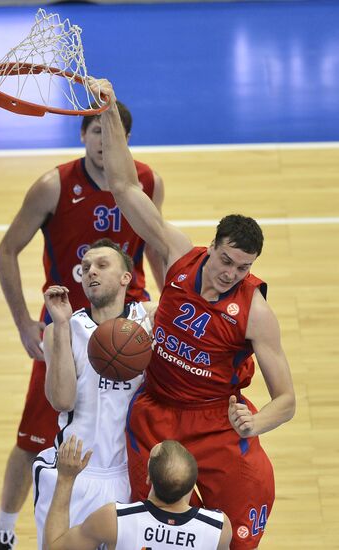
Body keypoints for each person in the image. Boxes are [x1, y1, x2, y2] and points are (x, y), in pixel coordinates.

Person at [88, 78, 296, 550]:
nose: (230, 273)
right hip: (157, 411)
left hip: (215, 421)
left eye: (242, 267)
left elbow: (287, 400)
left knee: (244, 523)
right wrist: (109, 113)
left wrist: (257, 422)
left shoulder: (255, 312)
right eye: (226, 261)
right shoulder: (179, 256)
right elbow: (123, 185)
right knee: (147, 537)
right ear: (213, 246)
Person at [0, 101, 164, 550]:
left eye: (113, 133)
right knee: (33, 437)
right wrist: (25, 323)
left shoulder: (146, 182)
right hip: (68, 327)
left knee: (143, 429)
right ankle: (4, 531)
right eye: (97, 132)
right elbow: (6, 251)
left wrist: (170, 311)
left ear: (125, 139)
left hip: (130, 325)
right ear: (82, 136)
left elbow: (159, 250)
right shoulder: (54, 185)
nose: (105, 142)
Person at [32, 238, 156, 549]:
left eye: (102, 265)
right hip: (73, 472)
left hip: (130, 472)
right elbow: (61, 401)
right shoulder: (61, 330)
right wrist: (60, 326)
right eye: (86, 267)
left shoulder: (151, 320)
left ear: (126, 277)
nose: (91, 272)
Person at [43, 435, 232, 550]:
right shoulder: (218, 528)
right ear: (193, 484)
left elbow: (54, 547)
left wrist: (65, 479)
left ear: (148, 478)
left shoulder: (113, 519)